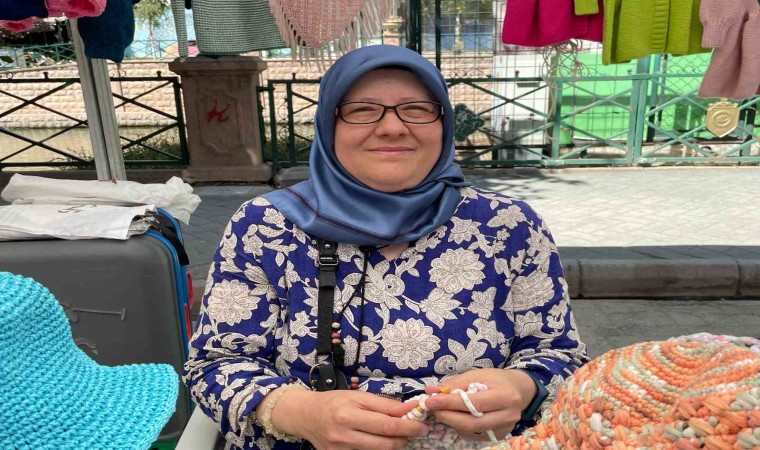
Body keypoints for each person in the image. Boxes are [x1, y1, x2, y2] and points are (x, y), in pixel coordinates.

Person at [183, 45, 588, 450]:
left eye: (416, 109)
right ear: (328, 125)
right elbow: (215, 364)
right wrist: (301, 412)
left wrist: (522, 387)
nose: (393, 127)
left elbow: (560, 356)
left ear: (443, 123)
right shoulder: (266, 225)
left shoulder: (508, 225)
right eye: (362, 110)